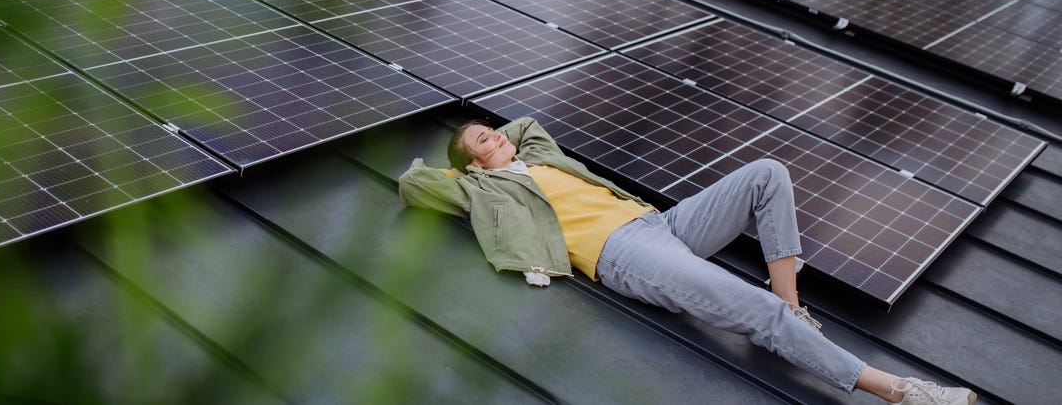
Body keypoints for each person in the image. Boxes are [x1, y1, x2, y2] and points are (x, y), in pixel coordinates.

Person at [399, 117, 977, 405]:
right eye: (481, 142)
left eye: (492, 132)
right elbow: (416, 186)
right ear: (473, 166)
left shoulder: (539, 156)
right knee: (749, 306)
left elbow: (526, 125)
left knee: (767, 173)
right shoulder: (483, 189)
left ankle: (791, 308)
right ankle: (902, 392)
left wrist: (494, 141)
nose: (496, 138)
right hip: (624, 253)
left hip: (659, 223)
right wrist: (467, 171)